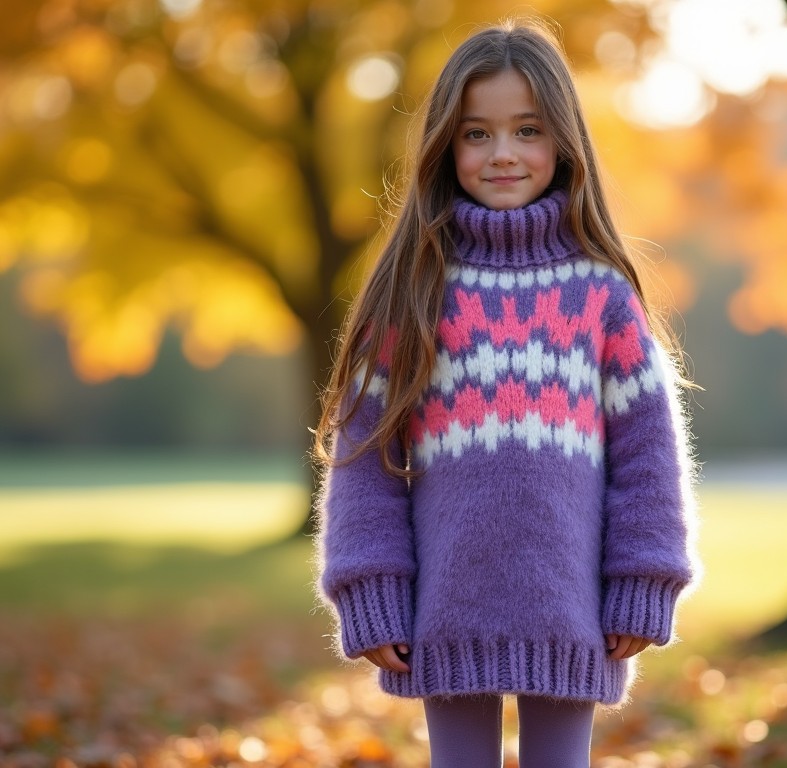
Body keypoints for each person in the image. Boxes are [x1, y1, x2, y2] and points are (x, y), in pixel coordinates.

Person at [313, 18, 699, 768]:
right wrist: (373, 589)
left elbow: (648, 456)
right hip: (445, 607)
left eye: (527, 130)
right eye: (476, 134)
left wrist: (642, 581)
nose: (503, 154)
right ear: (444, 147)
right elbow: (364, 460)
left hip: (571, 605)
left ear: (562, 142)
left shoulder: (600, 297)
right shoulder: (412, 295)